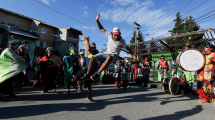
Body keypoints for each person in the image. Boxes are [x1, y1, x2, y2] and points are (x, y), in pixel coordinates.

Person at [80, 13, 134, 81]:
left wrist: (132, 53)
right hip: (106, 53)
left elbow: (127, 47)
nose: (116, 37)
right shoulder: (109, 34)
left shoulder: (122, 41)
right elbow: (101, 28)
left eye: (118, 35)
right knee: (92, 58)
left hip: (114, 56)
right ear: (112, 34)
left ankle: (97, 74)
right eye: (115, 35)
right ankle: (87, 75)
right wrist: (97, 20)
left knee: (109, 57)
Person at [73, 37, 99, 101]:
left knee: (77, 77)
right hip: (88, 70)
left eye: (91, 46)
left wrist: (87, 41)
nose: (89, 47)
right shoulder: (91, 54)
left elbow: (88, 48)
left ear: (93, 47)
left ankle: (80, 89)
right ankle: (88, 96)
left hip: (89, 70)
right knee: (86, 82)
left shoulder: (95, 52)